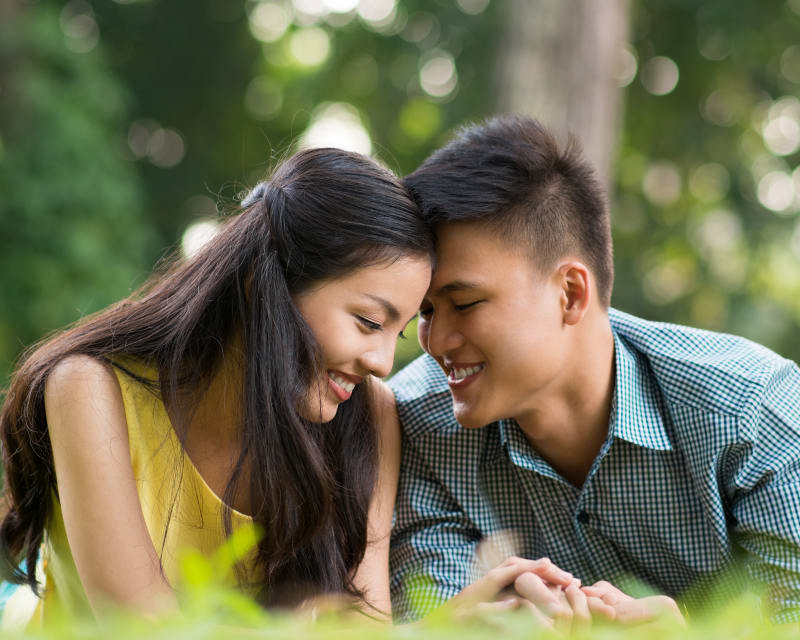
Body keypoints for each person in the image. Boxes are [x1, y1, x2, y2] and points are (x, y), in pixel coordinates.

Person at [0, 147, 439, 626]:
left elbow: (363, 628)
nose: (381, 362)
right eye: (368, 321)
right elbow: (144, 630)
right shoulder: (90, 390)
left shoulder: (370, 416)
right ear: (263, 282)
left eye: (397, 333)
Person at [388, 115, 800, 625]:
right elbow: (426, 609)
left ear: (571, 293)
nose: (436, 342)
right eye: (425, 312)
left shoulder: (751, 408)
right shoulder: (411, 425)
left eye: (466, 303)